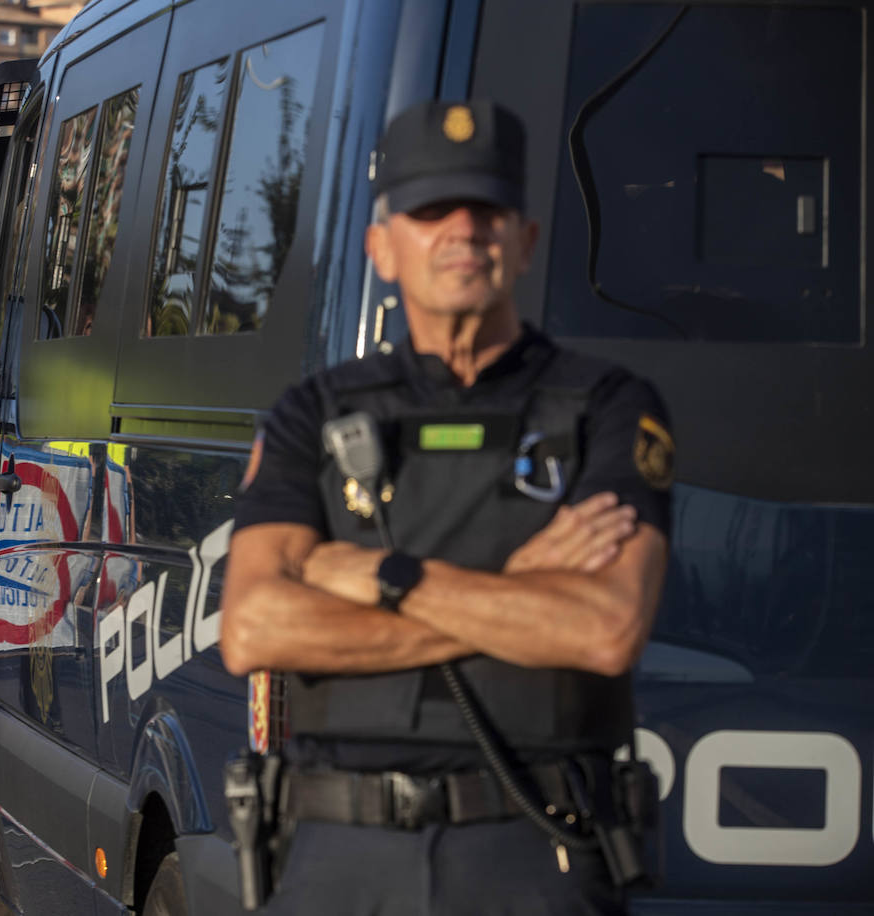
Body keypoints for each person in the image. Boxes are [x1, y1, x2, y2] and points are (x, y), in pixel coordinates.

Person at [219, 100, 673, 915]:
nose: (463, 229)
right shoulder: (313, 415)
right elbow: (254, 629)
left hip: (536, 852)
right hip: (340, 857)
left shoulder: (605, 406)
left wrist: (373, 572)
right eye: (431, 210)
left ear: (525, 240)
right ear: (382, 248)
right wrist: (520, 583)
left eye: (488, 209)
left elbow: (604, 629)